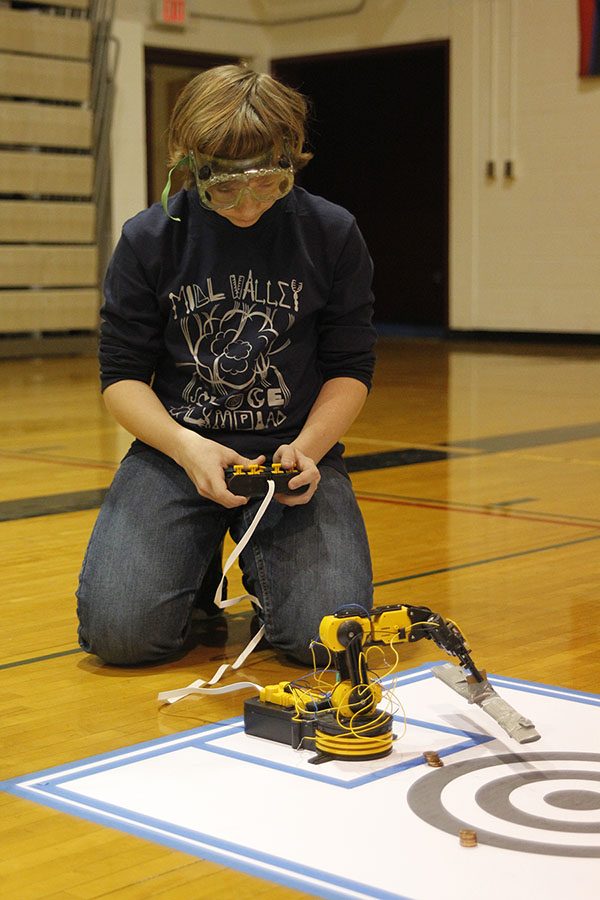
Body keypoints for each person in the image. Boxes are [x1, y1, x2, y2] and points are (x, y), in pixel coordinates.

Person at [76, 64, 376, 667]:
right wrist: (188, 449)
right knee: (122, 637)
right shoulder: (149, 239)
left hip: (291, 460)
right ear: (188, 167)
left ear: (291, 159)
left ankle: (274, 583)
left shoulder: (333, 233)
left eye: (269, 185)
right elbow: (122, 379)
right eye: (224, 190)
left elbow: (350, 368)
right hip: (176, 454)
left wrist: (310, 449)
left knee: (324, 643)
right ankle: (194, 572)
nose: (247, 208)